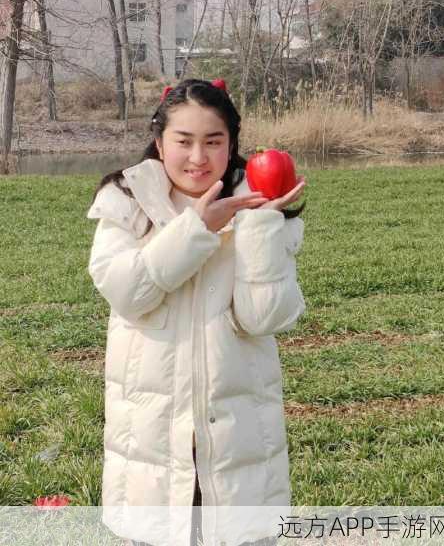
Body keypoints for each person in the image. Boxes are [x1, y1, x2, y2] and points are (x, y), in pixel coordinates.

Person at [86, 78, 307, 546]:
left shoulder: (261, 205)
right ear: (159, 139)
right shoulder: (125, 200)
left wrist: (261, 222)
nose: (198, 158)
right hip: (152, 449)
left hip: (237, 448)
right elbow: (129, 292)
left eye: (214, 142)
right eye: (183, 141)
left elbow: (263, 318)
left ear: (232, 143)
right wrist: (197, 229)